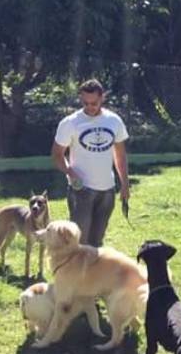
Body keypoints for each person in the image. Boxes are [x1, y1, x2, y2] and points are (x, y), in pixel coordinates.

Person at [51, 79, 130, 247]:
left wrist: (124, 184)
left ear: (102, 98)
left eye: (93, 103)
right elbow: (57, 155)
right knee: (78, 242)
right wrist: (70, 172)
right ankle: (74, 273)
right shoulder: (70, 123)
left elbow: (120, 155)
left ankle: (93, 273)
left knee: (97, 242)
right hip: (81, 190)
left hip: (107, 190)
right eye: (85, 103)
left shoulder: (114, 121)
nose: (89, 107)